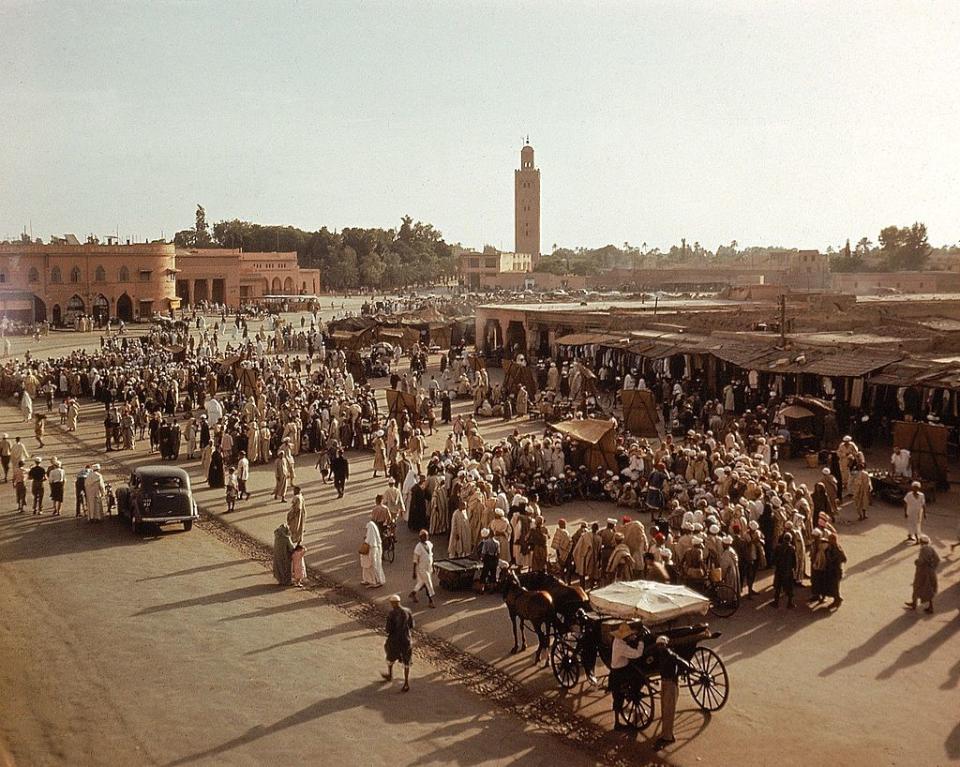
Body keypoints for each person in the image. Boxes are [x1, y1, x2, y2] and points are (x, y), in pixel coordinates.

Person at [609, 622, 644, 730]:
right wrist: (641, 643)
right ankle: (617, 724)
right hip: (619, 672)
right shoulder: (621, 646)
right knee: (618, 697)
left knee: (618, 696)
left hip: (621, 669)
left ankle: (631, 693)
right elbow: (637, 653)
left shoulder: (618, 640)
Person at [381, 593, 414, 692]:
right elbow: (412, 625)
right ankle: (406, 683)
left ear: (392, 603)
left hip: (394, 640)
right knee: (406, 661)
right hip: (406, 639)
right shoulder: (408, 611)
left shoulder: (391, 614)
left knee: (390, 656)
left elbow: (388, 629)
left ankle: (390, 675)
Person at [654, 634, 681, 750]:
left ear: (665, 645)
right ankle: (666, 734)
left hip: (670, 683)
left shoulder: (670, 655)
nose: (660, 647)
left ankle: (668, 737)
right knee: (665, 708)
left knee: (669, 710)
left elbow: (683, 663)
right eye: (659, 645)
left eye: (662, 645)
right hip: (665, 682)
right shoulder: (661, 655)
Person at [905, 534, 940, 613]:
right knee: (929, 590)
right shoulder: (931, 549)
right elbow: (937, 560)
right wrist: (932, 567)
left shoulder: (923, 550)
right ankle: (930, 607)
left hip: (922, 572)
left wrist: (916, 562)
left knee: (916, 586)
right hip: (931, 572)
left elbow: (921, 561)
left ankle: (914, 604)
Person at [410, 529, 436, 607]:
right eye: (424, 536)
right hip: (422, 569)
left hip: (428, 567)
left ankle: (413, 594)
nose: (426, 538)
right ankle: (431, 601)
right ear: (420, 537)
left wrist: (433, 566)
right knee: (428, 583)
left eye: (427, 536)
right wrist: (414, 572)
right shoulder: (418, 547)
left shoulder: (429, 544)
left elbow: (431, 556)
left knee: (421, 583)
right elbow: (415, 560)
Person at [771, 532, 797, 608]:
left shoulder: (778, 547)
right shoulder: (792, 549)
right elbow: (794, 561)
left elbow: (774, 559)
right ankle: (789, 603)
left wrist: (776, 565)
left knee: (778, 587)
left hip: (779, 570)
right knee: (789, 588)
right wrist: (794, 568)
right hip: (788, 571)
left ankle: (776, 603)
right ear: (790, 540)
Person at [360, 519, 386, 588]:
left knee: (374, 567)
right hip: (369, 554)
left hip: (373, 553)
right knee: (366, 567)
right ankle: (368, 580)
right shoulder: (371, 536)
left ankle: (376, 581)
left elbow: (373, 550)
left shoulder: (373, 542)